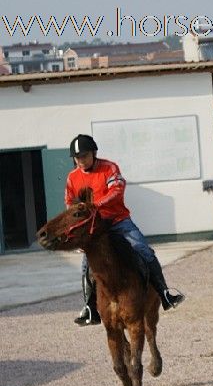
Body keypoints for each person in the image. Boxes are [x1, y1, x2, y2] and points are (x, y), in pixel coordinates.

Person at [66, 134, 185, 326]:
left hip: (118, 221)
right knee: (85, 266)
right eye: (77, 157)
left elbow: (117, 190)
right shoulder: (72, 178)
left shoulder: (109, 168)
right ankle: (89, 308)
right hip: (94, 229)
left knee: (143, 250)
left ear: (94, 153)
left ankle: (165, 294)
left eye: (85, 156)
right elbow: (70, 205)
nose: (81, 160)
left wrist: (95, 205)